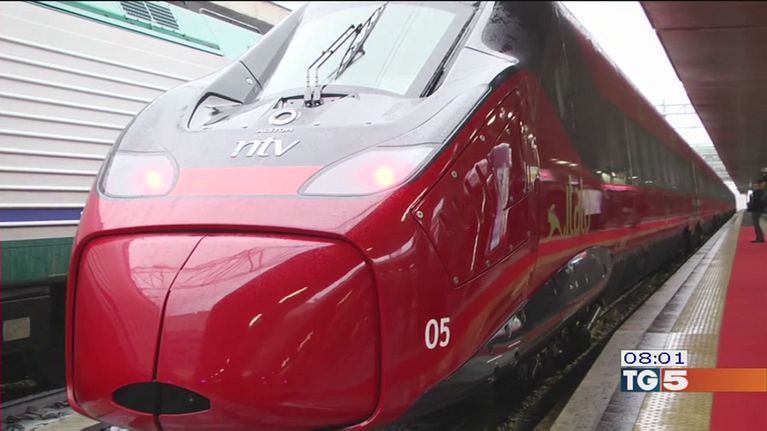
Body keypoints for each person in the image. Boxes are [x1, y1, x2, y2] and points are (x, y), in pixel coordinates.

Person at [746, 177, 767, 243]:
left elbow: (761, 201)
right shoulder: (758, 192)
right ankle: (759, 238)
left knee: (756, 224)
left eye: (757, 185)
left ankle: (760, 238)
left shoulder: (760, 192)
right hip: (757, 210)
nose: (756, 186)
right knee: (756, 224)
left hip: (757, 210)